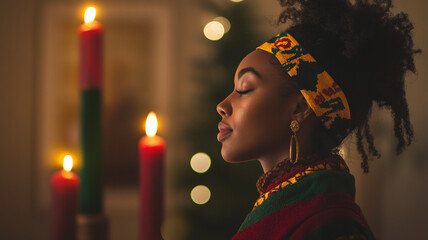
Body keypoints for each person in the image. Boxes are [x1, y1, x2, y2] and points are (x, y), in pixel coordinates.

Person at [216, 0, 419, 239]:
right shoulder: (284, 207)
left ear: (300, 107)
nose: (222, 106)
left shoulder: (332, 226)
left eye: (245, 88)